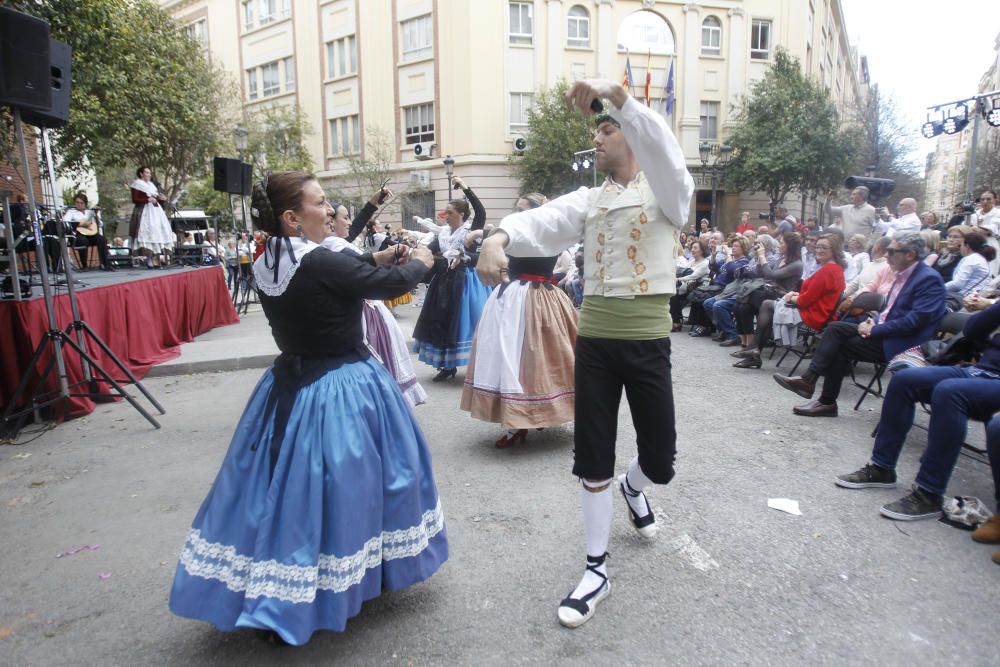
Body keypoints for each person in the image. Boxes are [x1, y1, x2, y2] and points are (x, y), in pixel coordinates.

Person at [168, 171, 446, 645]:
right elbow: (386, 283)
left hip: (288, 385)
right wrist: (420, 259)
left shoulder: (267, 260)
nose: (328, 209)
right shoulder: (318, 261)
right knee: (352, 487)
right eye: (320, 203)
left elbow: (341, 276)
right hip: (341, 384)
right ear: (293, 217)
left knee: (282, 490)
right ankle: (333, 583)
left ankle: (280, 580)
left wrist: (372, 258)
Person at [477, 78, 694, 628]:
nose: (596, 140)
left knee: (661, 460)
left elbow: (665, 150)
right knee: (592, 454)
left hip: (647, 344)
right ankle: (596, 568)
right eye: (596, 130)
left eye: (606, 130)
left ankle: (635, 487)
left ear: (633, 137)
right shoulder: (590, 198)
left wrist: (619, 96)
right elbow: (542, 221)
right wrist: (498, 236)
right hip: (594, 342)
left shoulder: (668, 190)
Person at [835, 300, 1000, 521]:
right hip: (980, 371)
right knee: (905, 379)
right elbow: (972, 330)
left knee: (949, 392)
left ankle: (929, 492)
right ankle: (882, 468)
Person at [773, 233, 947, 417]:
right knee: (836, 329)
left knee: (838, 344)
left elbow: (913, 323)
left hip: (903, 344)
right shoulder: (903, 275)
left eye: (891, 251)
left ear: (910, 254)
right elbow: (891, 311)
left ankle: (820, 395)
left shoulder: (928, 279)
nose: (885, 255)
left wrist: (875, 329)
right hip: (886, 332)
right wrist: (873, 321)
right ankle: (814, 387)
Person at [461, 192, 578, 447]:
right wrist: (484, 235)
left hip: (538, 299)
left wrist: (484, 234)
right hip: (509, 299)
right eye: (517, 208)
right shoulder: (513, 231)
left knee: (542, 359)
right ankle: (517, 421)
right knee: (507, 357)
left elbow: (521, 241)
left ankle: (542, 412)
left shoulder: (546, 233)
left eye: (523, 209)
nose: (517, 213)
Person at [320, 196, 428, 408]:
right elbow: (372, 276)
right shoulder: (331, 247)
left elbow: (358, 238)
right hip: (362, 315)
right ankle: (382, 407)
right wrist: (416, 265)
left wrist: (372, 204)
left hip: (368, 310)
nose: (349, 222)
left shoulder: (335, 244)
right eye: (344, 217)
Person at [411, 175, 490, 381]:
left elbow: (480, 211)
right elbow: (430, 250)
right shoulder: (443, 233)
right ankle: (447, 366)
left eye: (450, 213)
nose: (446, 216)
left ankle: (478, 365)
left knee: (464, 323)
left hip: (466, 282)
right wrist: (414, 253)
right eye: (446, 212)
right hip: (444, 280)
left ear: (462, 214)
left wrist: (465, 188)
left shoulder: (470, 230)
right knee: (441, 321)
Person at [730, 232, 803, 367]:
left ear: (790, 246)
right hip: (769, 294)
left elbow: (772, 275)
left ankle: (752, 348)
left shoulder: (797, 264)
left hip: (783, 298)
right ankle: (752, 350)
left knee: (752, 301)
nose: (779, 245)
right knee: (741, 307)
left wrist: (763, 256)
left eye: (782, 242)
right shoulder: (781, 258)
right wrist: (759, 258)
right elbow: (760, 273)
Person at [128, 166, 174, 267]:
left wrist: (161, 199)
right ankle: (148, 259)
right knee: (147, 232)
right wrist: (147, 200)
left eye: (149, 173)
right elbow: (135, 199)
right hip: (144, 211)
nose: (149, 175)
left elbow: (156, 198)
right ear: (141, 174)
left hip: (155, 212)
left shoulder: (151, 185)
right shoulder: (137, 184)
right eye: (147, 173)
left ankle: (156, 259)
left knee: (157, 232)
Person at [62, 192, 113, 271]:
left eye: (81, 203)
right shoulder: (71, 212)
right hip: (76, 235)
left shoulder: (90, 212)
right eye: (77, 202)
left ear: (85, 204)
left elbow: (100, 224)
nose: (79, 205)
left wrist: (96, 215)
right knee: (83, 240)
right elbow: (65, 222)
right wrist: (80, 224)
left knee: (101, 239)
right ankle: (84, 265)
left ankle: (105, 264)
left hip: (90, 234)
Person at [669, 238, 710, 331]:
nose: (692, 250)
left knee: (674, 295)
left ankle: (677, 322)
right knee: (672, 294)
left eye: (695, 248)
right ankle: (676, 320)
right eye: (692, 248)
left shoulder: (705, 263)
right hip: (687, 287)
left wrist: (677, 279)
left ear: (702, 250)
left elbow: (693, 276)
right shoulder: (691, 261)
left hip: (698, 289)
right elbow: (684, 272)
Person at [945, 231, 992, 298]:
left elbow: (957, 284)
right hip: (971, 296)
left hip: (964, 298)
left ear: (967, 246)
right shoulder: (978, 258)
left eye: (961, 245)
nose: (960, 247)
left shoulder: (971, 259)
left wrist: (938, 289)